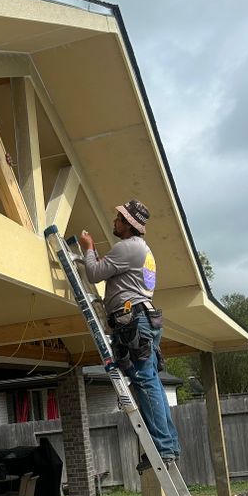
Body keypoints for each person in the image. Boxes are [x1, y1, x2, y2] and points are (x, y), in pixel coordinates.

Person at [79, 199, 180, 470]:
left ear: (128, 225)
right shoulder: (144, 251)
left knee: (145, 382)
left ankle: (162, 449)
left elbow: (93, 274)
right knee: (151, 383)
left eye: (119, 219)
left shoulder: (126, 248)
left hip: (133, 320)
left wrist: (88, 249)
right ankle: (168, 446)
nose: (115, 222)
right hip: (144, 319)